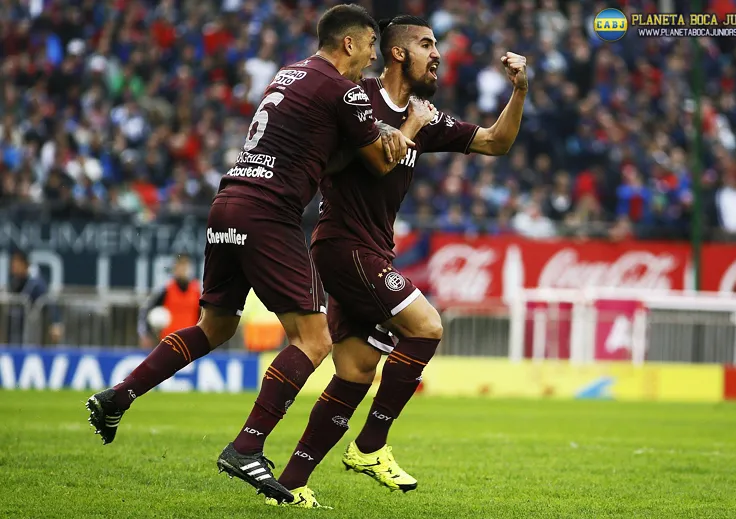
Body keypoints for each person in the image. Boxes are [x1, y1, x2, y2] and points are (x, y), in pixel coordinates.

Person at [85, 4, 424, 504]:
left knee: (215, 326)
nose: (373, 58)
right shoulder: (344, 89)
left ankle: (119, 395)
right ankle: (247, 446)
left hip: (228, 202)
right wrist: (411, 125)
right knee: (313, 339)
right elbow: (380, 160)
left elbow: (326, 153)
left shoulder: (289, 74)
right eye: (371, 46)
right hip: (269, 212)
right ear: (349, 43)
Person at [267, 15, 529, 508]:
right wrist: (396, 130)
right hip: (344, 244)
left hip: (368, 250)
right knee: (426, 326)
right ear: (397, 53)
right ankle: (370, 446)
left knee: (356, 372)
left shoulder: (425, 116)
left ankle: (290, 485)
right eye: (427, 44)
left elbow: (497, 142)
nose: (437, 54)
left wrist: (519, 91)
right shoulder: (357, 98)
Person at [137, 255, 200, 349]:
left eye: (185, 267)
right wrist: (145, 334)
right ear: (175, 269)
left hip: (190, 342)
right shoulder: (166, 289)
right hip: (169, 342)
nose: (183, 271)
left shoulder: (196, 291)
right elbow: (147, 309)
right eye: (180, 267)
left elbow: (202, 315)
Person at [6, 249, 62, 345]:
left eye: (15, 264)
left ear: (24, 264)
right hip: (14, 332)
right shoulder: (15, 282)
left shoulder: (36, 284)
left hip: (30, 334)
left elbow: (48, 301)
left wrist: (56, 323)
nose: (13, 267)